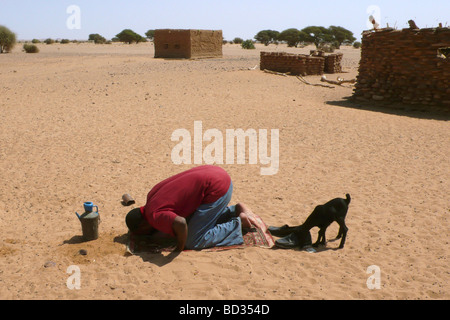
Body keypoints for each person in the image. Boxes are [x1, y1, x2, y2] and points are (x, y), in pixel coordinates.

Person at [125, 165, 259, 251]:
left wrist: (180, 247)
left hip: (216, 189)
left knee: (194, 240)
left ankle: (238, 224)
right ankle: (233, 211)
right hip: (216, 173)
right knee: (194, 222)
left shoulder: (153, 216)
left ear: (142, 226)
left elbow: (181, 223)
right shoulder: (151, 197)